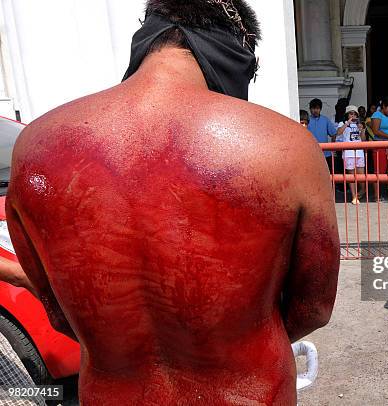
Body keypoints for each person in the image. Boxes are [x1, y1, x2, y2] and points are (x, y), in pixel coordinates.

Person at [6, 1, 340, 404]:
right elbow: (313, 310)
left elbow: (58, 312)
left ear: (145, 42)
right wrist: (230, 346)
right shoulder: (285, 147)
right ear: (239, 51)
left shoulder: (36, 148)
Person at [370, 97, 388, 201]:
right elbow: (375, 131)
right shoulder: (377, 115)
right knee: (379, 171)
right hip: (380, 146)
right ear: (383, 106)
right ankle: (377, 196)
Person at [337, 105, 366, 204]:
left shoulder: (359, 124)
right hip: (348, 153)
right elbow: (339, 133)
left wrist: (362, 129)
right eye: (351, 113)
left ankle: (362, 190)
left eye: (354, 114)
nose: (353, 115)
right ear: (347, 114)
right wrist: (347, 123)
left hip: (359, 152)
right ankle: (354, 196)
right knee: (351, 176)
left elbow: (363, 139)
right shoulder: (342, 123)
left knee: (361, 175)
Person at [308, 98, 338, 173]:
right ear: (310, 109)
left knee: (326, 174)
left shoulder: (325, 120)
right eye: (313, 108)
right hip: (310, 153)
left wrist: (332, 147)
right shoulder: (306, 120)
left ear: (320, 109)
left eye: (317, 108)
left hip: (325, 153)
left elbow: (333, 134)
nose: (315, 110)